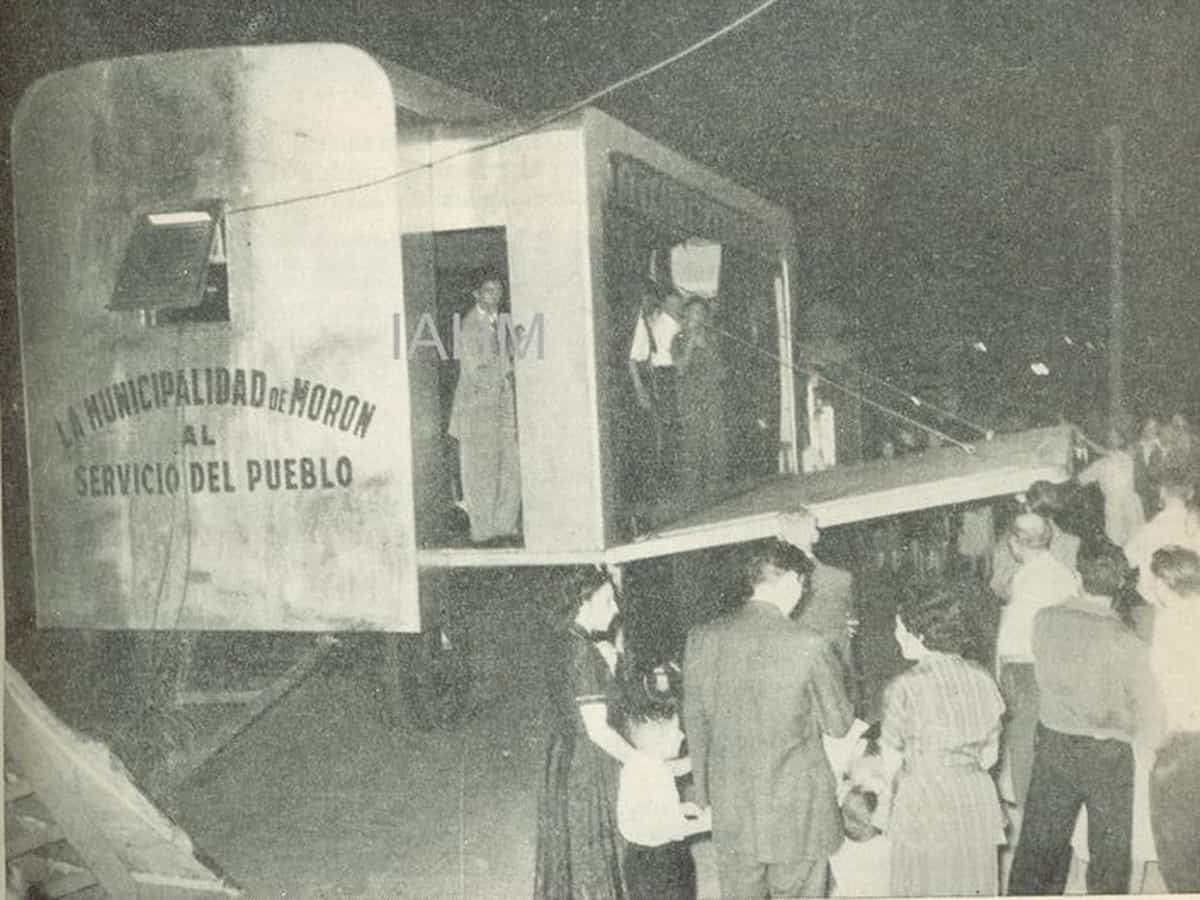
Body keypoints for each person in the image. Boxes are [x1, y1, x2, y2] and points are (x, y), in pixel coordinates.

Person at [683, 538, 854, 898]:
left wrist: (703, 795)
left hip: (732, 805)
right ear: (791, 580)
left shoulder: (702, 638)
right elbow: (838, 724)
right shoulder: (810, 643)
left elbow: (695, 723)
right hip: (797, 807)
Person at [1008, 536, 1162, 895]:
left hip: (1053, 745)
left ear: (1078, 577)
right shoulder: (1127, 642)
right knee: (1109, 859)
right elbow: (1150, 714)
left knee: (1038, 850)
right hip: (1109, 755)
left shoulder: (1044, 620)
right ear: (1123, 583)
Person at [535, 568, 672, 899]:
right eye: (608, 601)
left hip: (563, 756)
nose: (615, 610)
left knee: (573, 849)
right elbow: (597, 729)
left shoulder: (564, 639)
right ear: (584, 602)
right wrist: (642, 765)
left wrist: (607, 666)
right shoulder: (583, 651)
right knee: (594, 854)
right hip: (589, 764)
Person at [882, 582, 1007, 897]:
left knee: (923, 885)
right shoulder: (984, 679)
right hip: (975, 796)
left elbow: (891, 759)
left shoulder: (904, 687)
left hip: (924, 797)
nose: (897, 636)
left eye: (901, 629)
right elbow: (990, 756)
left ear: (921, 634)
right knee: (972, 884)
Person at [996, 512, 1081, 810]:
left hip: (1026, 670)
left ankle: (1029, 810)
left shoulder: (1024, 578)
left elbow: (1011, 641)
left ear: (1017, 542)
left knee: (1023, 747)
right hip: (1061, 668)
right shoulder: (1065, 574)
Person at [447, 271, 521, 544]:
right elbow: (478, 371)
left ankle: (503, 525)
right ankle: (483, 531)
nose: (495, 296)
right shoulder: (469, 325)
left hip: (500, 405)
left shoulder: (499, 322)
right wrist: (510, 356)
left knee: (509, 465)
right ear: (476, 294)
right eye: (488, 290)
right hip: (477, 409)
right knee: (481, 472)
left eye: (498, 290)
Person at [1145, 545, 1200, 892]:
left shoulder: (1168, 621)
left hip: (1183, 742)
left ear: (1164, 584)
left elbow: (1161, 688)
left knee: (1177, 843)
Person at [617, 700, 711, 900]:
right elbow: (672, 827)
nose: (681, 736)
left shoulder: (637, 764)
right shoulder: (658, 773)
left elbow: (648, 811)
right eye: (675, 732)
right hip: (662, 860)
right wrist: (705, 823)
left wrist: (682, 807)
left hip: (636, 857)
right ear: (656, 741)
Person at [627, 285, 685, 496]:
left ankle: (669, 480)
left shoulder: (661, 322)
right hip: (660, 377)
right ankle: (660, 483)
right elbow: (634, 359)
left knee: (670, 428)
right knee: (661, 430)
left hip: (664, 375)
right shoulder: (649, 324)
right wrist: (641, 389)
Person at [673, 298, 729, 500]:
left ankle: (716, 487)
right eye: (693, 312)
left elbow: (722, 371)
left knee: (716, 441)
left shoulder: (713, 339)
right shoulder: (678, 339)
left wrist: (705, 346)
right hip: (690, 398)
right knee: (693, 442)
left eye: (701, 313)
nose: (698, 317)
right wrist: (690, 344)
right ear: (686, 316)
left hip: (712, 395)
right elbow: (680, 368)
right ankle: (692, 491)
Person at [1125, 471, 1200, 607]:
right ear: (1190, 494)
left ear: (1162, 492)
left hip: (1156, 605)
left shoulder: (1149, 529)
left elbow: (1129, 557)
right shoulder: (1195, 523)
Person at [1079, 420, 1148, 546]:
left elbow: (1106, 452)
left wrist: (1086, 440)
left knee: (1135, 540)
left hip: (1130, 504)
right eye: (1109, 436)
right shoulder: (1101, 463)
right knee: (1116, 540)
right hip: (1114, 506)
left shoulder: (1129, 454)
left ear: (1122, 439)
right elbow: (1082, 479)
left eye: (1114, 436)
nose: (1111, 439)